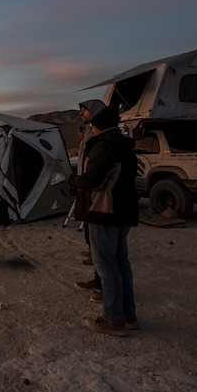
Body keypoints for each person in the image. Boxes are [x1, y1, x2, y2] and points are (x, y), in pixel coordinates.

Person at [68, 106, 139, 336]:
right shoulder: (124, 144)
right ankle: (128, 316)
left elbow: (93, 180)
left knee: (107, 267)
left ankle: (113, 320)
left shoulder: (104, 146)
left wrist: (73, 181)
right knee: (121, 265)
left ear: (97, 124)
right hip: (123, 211)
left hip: (104, 211)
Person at [73, 100, 106, 292]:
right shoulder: (88, 132)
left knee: (100, 237)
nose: (80, 113)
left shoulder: (99, 137)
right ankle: (97, 271)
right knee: (89, 227)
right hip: (85, 186)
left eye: (84, 110)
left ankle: (103, 285)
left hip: (93, 189)